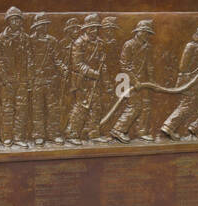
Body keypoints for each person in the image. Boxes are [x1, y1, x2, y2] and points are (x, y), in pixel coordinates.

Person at [160, 23, 198, 139]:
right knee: (187, 105)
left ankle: (183, 129)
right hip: (191, 81)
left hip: (183, 79)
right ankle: (168, 126)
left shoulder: (189, 45)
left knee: (188, 104)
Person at [0, 6, 31, 146]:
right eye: (13, 20)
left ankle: (19, 137)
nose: (16, 22)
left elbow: (30, 60)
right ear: (8, 21)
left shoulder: (25, 38)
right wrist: (5, 79)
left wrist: (27, 78)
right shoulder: (0, 39)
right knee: (7, 109)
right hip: (7, 81)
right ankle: (7, 136)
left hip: (22, 80)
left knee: (22, 109)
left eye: (18, 20)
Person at [110, 19, 156, 142]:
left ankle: (141, 132)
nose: (147, 35)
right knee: (135, 106)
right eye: (145, 32)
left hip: (144, 82)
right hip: (129, 80)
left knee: (146, 106)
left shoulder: (147, 46)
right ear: (139, 32)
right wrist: (134, 81)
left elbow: (149, 64)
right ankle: (118, 129)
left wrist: (151, 80)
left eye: (149, 33)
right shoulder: (129, 44)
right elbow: (124, 65)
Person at [27, 13, 68, 145]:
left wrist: (63, 68)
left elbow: (57, 59)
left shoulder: (53, 41)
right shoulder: (30, 41)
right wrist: (31, 74)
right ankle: (38, 134)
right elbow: (27, 60)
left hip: (51, 80)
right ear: (36, 27)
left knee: (53, 108)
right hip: (37, 80)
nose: (43, 28)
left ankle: (54, 133)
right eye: (41, 25)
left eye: (45, 25)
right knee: (38, 109)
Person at [65, 13, 104, 144]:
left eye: (96, 28)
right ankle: (72, 134)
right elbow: (77, 64)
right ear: (86, 28)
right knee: (81, 107)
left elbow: (102, 64)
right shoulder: (79, 43)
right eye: (92, 28)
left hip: (96, 81)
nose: (95, 31)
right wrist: (93, 73)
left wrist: (104, 77)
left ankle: (93, 134)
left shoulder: (100, 43)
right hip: (82, 82)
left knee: (96, 107)